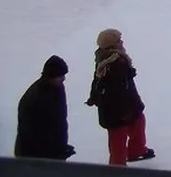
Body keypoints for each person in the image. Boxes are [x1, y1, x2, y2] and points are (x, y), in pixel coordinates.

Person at [86, 29, 154, 165]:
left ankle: (137, 151)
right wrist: (124, 111)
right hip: (117, 113)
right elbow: (114, 92)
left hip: (128, 107)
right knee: (118, 141)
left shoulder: (113, 59)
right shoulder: (112, 65)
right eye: (118, 40)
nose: (122, 42)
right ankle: (117, 168)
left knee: (139, 123)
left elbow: (98, 83)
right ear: (111, 46)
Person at [15, 55, 75, 160]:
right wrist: (56, 151)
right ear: (51, 75)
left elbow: (59, 121)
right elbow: (33, 133)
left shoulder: (58, 88)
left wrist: (61, 147)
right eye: (60, 75)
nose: (64, 78)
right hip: (33, 156)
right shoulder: (35, 97)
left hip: (52, 154)